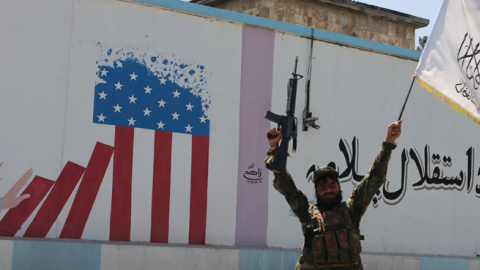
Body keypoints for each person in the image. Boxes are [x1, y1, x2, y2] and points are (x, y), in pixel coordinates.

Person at [265, 121, 402, 270]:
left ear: (339, 187)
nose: (328, 190)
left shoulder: (352, 209)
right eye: (323, 187)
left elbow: (374, 178)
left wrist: (388, 143)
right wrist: (274, 148)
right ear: (316, 192)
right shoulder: (307, 211)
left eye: (332, 186)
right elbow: (286, 186)